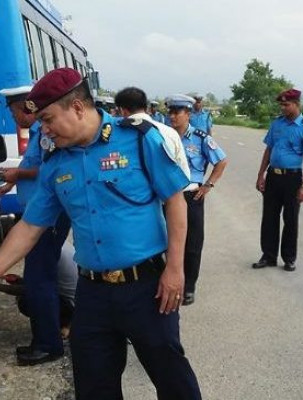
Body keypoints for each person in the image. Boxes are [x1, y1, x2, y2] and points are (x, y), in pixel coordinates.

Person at [0, 68, 201, 400]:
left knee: (172, 380)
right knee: (94, 386)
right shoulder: (55, 162)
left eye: (48, 119)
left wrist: (175, 269)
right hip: (92, 293)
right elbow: (30, 227)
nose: (44, 129)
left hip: (147, 288)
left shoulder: (140, 139)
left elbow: (175, 202)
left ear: (78, 107)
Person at [0, 85, 71, 366]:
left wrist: (18, 173)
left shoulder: (46, 134)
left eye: (14, 112)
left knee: (40, 279)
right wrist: (13, 181)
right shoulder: (36, 135)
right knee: (38, 278)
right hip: (38, 214)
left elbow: (49, 170)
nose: (14, 118)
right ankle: (46, 339)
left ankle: (48, 344)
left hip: (47, 218)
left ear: (26, 108)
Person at [167, 94, 227, 306]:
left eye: (177, 112)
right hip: (168, 197)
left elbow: (221, 160)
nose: (172, 116)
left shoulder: (200, 138)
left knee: (192, 244)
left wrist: (208, 184)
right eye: (170, 112)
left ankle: (189, 287)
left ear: (188, 114)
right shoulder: (163, 136)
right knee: (167, 241)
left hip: (191, 196)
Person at [251, 89, 303, 272]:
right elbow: (268, 150)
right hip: (273, 176)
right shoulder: (276, 124)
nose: (283, 108)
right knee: (269, 218)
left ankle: (289, 258)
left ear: (296, 104)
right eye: (281, 104)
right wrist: (261, 175)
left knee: (291, 219)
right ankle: (268, 256)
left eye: (286, 105)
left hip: (292, 179)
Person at [114, 87, 191, 180]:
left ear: (122, 110)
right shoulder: (170, 133)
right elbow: (184, 173)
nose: (171, 116)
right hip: (168, 187)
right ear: (146, 108)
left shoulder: (115, 135)